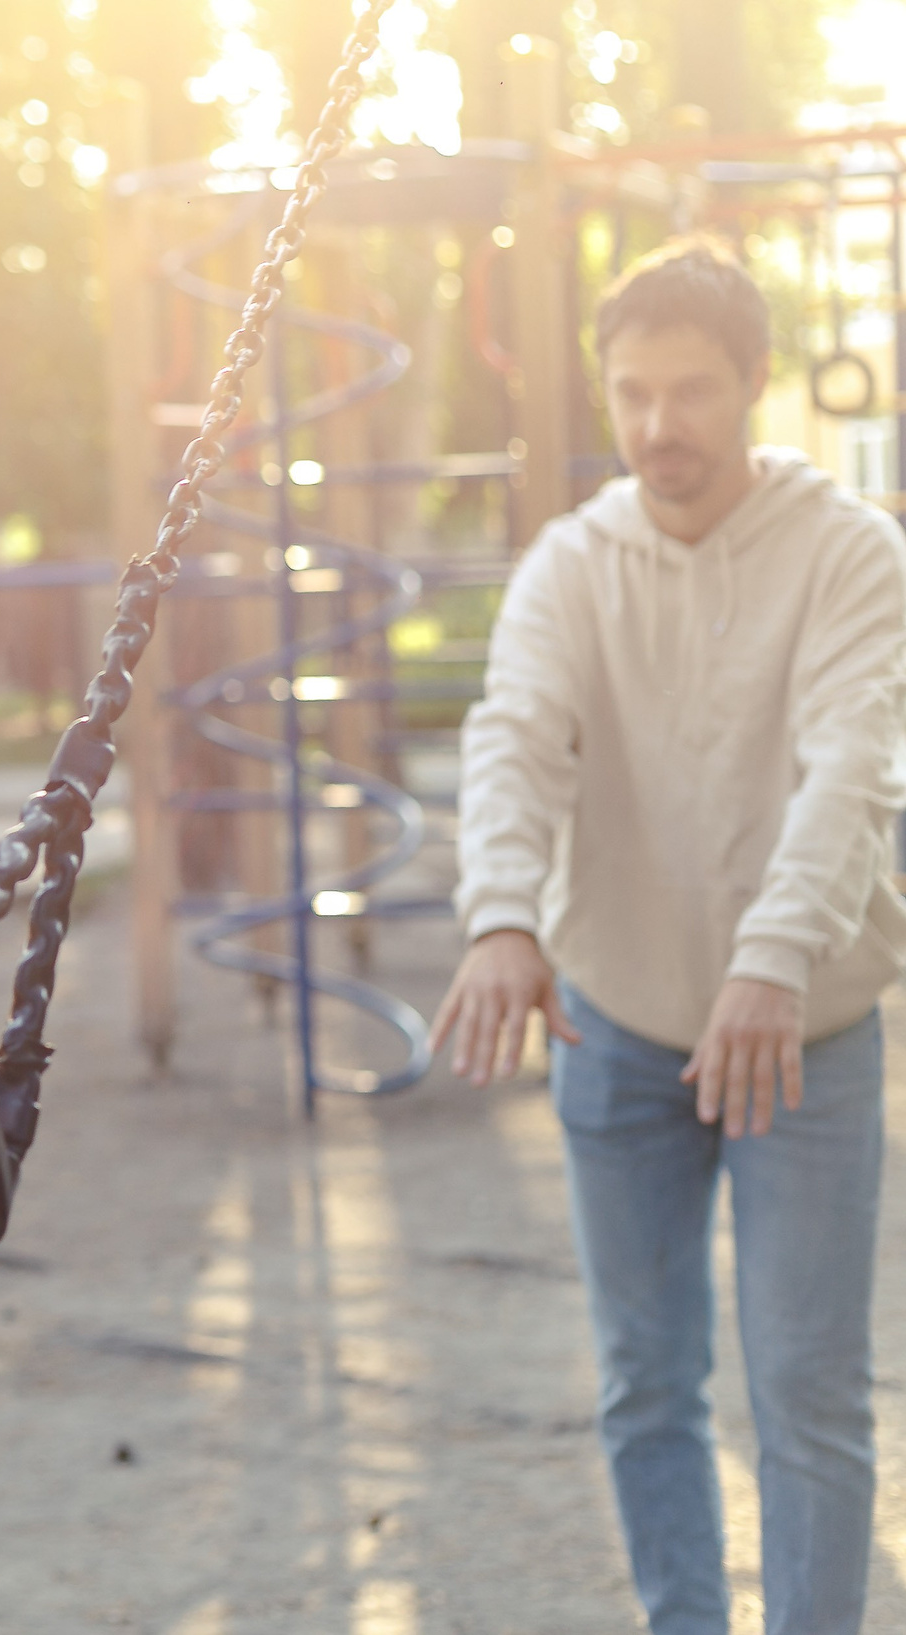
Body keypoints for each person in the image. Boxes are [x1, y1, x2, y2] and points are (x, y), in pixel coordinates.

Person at [436, 234, 906, 1635]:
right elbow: (515, 739)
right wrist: (503, 912)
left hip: (808, 1035)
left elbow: (854, 768)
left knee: (808, 1391)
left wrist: (774, 959)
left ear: (757, 385)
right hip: (624, 1029)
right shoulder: (571, 565)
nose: (658, 426)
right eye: (632, 392)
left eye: (692, 390)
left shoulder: (852, 555)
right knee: (646, 1382)